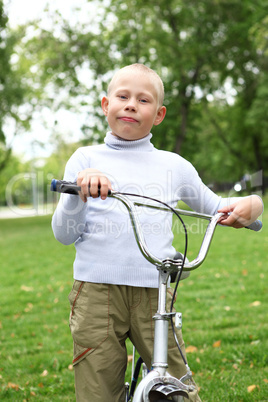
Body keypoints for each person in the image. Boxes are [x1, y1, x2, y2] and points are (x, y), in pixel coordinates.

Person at [51, 63, 263, 402]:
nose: (132, 104)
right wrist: (79, 192)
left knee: (176, 386)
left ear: (159, 114)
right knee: (97, 386)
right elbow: (63, 234)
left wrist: (253, 205)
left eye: (143, 100)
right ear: (107, 105)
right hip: (96, 292)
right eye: (123, 96)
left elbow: (218, 207)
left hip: (156, 290)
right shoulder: (85, 160)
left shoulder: (174, 165)